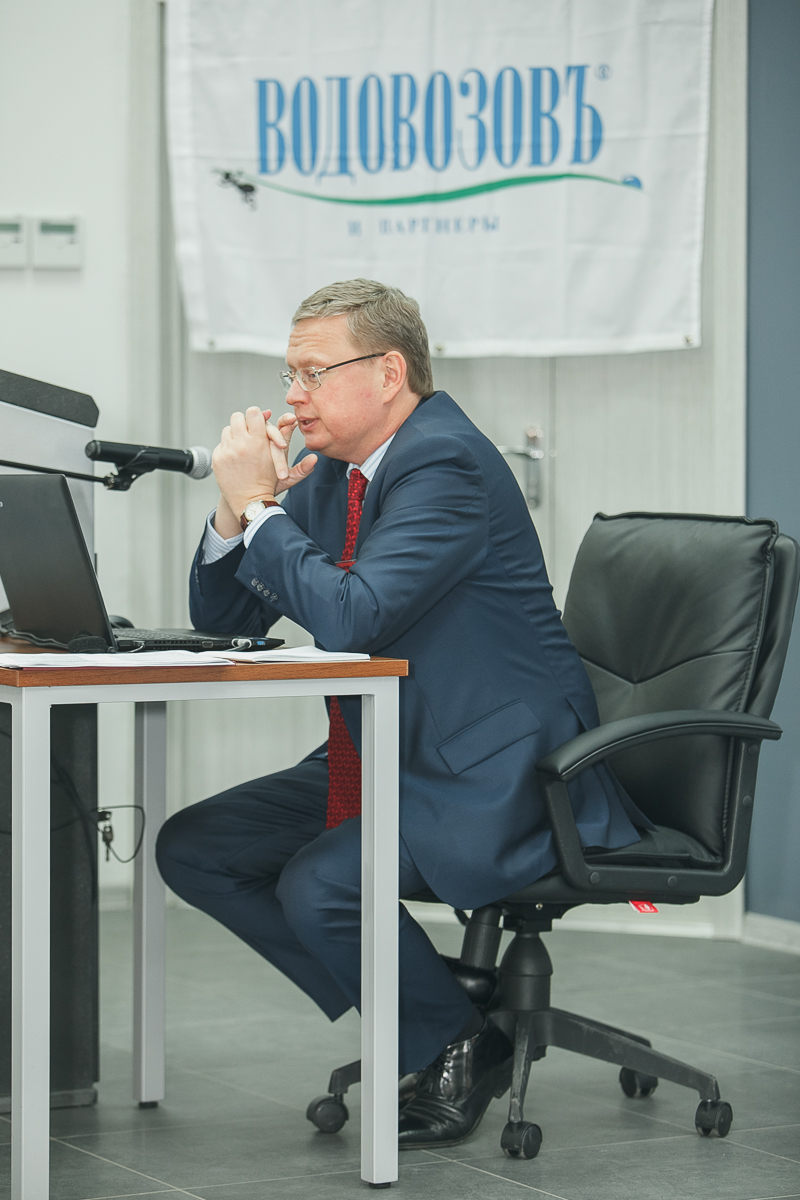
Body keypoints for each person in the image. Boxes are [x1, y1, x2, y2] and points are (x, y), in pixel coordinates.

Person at [156, 278, 648, 1147]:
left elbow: (354, 617)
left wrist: (265, 507)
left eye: (313, 373)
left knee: (322, 882)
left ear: (388, 372)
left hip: (498, 771)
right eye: (288, 375)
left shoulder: (446, 463)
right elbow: (223, 619)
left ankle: (449, 1040)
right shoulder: (336, 473)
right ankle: (434, 1014)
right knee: (199, 847)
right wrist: (236, 510)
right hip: (389, 749)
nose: (293, 396)